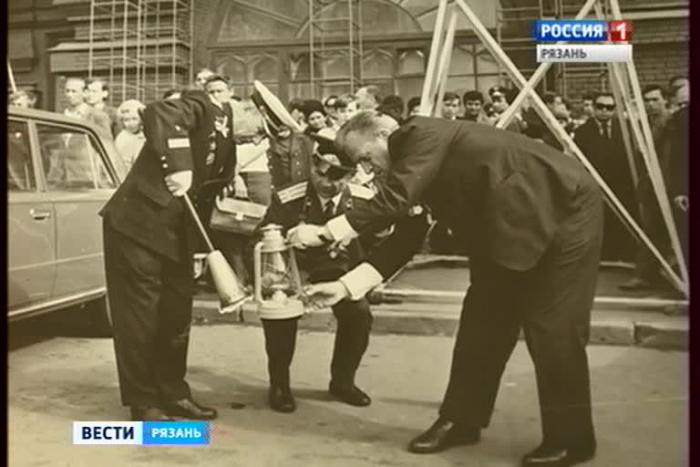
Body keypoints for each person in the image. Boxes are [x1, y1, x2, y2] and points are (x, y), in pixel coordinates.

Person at [288, 111, 603, 466]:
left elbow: (395, 201)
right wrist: (346, 286)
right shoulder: (410, 168)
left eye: (365, 157)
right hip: (505, 226)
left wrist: (325, 231)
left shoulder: (420, 134)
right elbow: (406, 236)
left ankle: (572, 439)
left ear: (382, 134)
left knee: (554, 329)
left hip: (565, 210)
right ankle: (461, 421)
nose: (367, 169)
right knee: (480, 324)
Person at [99, 89, 238, 421]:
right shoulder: (203, 105)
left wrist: (198, 250)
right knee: (140, 319)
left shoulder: (230, 137)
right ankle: (143, 401)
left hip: (177, 235)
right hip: (137, 227)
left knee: (176, 315)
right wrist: (179, 167)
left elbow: (204, 197)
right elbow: (160, 112)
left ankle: (174, 393)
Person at [256, 137, 422, 413]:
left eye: (337, 179)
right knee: (279, 315)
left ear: (351, 176)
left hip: (343, 273)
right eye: (321, 174)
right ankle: (280, 385)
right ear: (313, 167)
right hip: (297, 273)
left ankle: (343, 382)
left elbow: (380, 244)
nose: (327, 184)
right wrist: (278, 267)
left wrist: (368, 282)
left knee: (359, 315)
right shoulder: (288, 197)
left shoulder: (364, 199)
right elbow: (263, 239)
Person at [574, 92, 638, 262]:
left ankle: (623, 254)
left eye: (609, 107)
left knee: (623, 219)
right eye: (600, 106)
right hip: (596, 184)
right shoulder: (582, 132)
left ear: (614, 109)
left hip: (621, 184)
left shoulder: (625, 130)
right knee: (600, 220)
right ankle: (604, 254)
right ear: (594, 108)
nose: (604, 111)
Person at [621, 84, 671, 291]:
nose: (651, 104)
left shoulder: (673, 123)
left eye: (655, 100)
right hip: (651, 187)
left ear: (665, 100)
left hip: (671, 184)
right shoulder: (642, 124)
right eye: (647, 101)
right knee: (652, 230)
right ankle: (645, 274)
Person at [114, 99, 146, 170]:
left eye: (134, 119)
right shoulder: (122, 138)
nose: (131, 124)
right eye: (126, 120)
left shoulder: (145, 135)